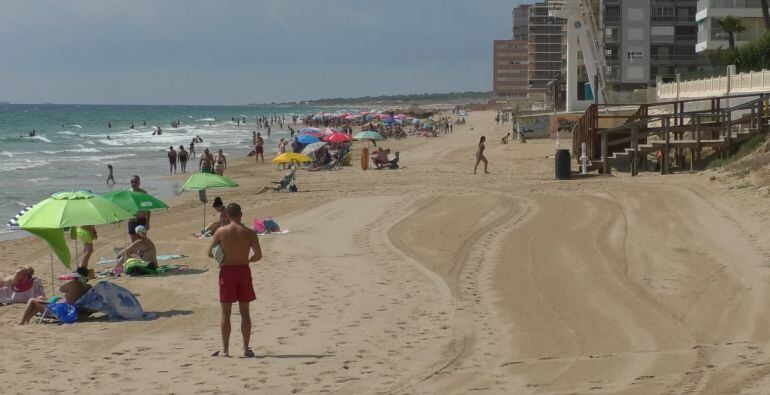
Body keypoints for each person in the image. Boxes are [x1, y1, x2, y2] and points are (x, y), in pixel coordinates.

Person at [208, 203, 262, 358]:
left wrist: (222, 256)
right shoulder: (249, 233)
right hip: (243, 271)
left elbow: (209, 253)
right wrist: (249, 259)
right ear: (241, 214)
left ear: (227, 216)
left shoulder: (220, 232)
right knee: (245, 313)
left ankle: (225, 350)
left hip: (227, 272)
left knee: (226, 313)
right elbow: (258, 255)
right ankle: (246, 348)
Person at [18, 276, 90, 325]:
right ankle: (27, 320)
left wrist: (67, 284)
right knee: (41, 297)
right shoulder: (88, 287)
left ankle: (22, 322)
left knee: (32, 300)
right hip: (74, 309)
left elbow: (61, 289)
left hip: (62, 311)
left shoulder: (73, 284)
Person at [128, 175, 151, 242]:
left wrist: (147, 222)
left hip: (141, 220)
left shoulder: (143, 193)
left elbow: (147, 209)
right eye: (132, 182)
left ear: (139, 183)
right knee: (134, 241)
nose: (133, 183)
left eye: (135, 182)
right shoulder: (128, 193)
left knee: (142, 240)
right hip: (131, 220)